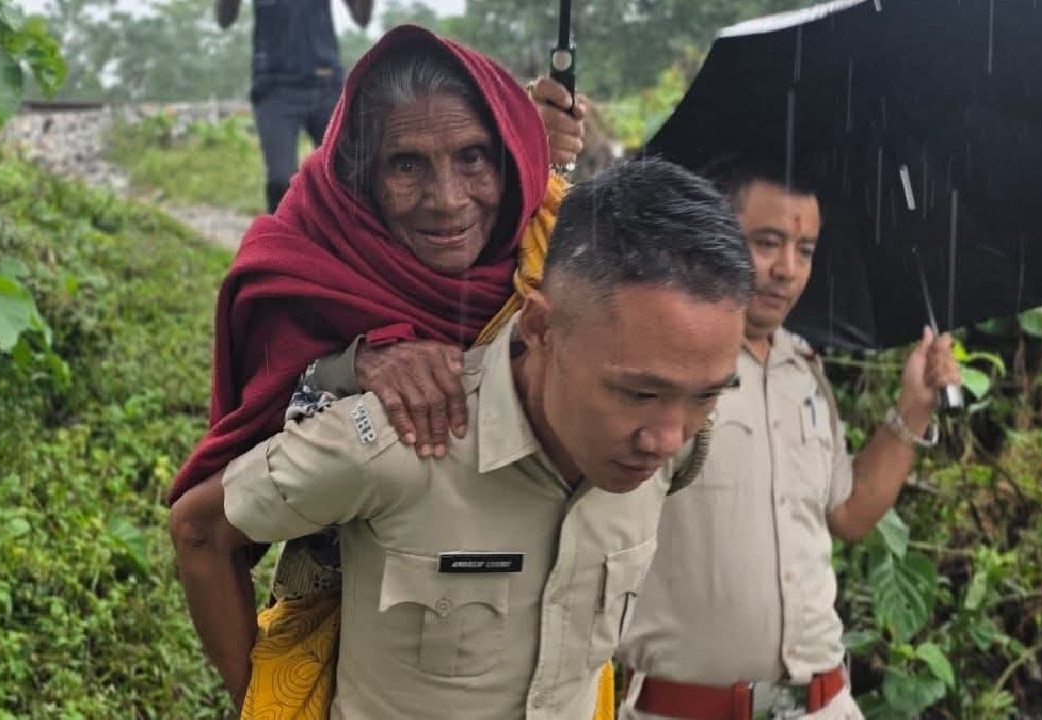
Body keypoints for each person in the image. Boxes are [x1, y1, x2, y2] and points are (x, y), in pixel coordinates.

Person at [177, 156, 756, 719]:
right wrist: (259, 702)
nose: (666, 438)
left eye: (706, 395)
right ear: (540, 328)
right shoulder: (400, 443)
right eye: (639, 394)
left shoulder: (671, 454)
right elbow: (201, 529)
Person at [166, 25, 582, 713]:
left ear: (512, 159)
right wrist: (350, 364)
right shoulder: (310, 246)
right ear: (363, 174)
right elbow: (209, 511)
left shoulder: (549, 248)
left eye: (475, 157)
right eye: (407, 165)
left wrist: (546, 145)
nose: (448, 199)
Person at [614, 159, 962, 720]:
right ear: (715, 237)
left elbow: (848, 513)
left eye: (804, 250)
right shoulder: (661, 370)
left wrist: (914, 407)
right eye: (767, 242)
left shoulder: (804, 370)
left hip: (824, 705)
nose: (787, 269)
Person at [215, 0, 372, 213]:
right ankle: (284, 243)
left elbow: (362, 18)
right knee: (281, 181)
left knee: (347, 176)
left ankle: (343, 242)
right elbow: (225, 19)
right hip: (275, 88)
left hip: (325, 81)